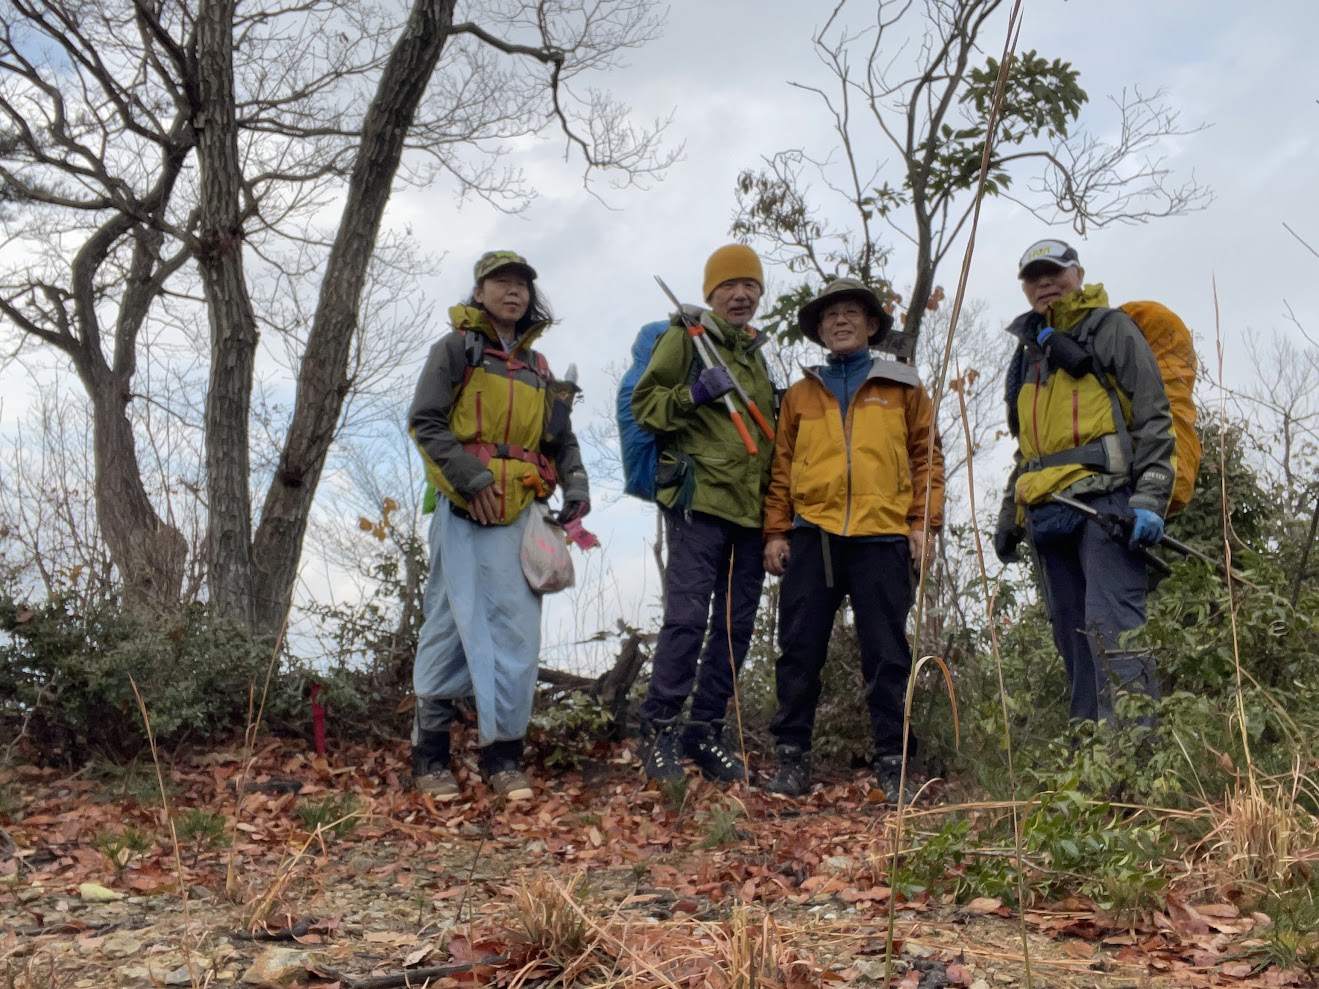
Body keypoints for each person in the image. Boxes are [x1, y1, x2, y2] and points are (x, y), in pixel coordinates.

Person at [408, 251, 590, 802]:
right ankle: (430, 758)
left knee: (516, 634)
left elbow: (560, 439)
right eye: (501, 283)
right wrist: (471, 479)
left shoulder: (539, 368)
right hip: (463, 508)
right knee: (448, 624)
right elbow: (425, 421)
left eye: (521, 285)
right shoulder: (454, 350)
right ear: (479, 291)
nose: (513, 292)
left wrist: (576, 487)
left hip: (520, 514)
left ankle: (503, 758)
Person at [761, 279, 944, 800]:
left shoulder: (903, 386)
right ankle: (791, 759)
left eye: (851, 313)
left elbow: (928, 459)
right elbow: (781, 467)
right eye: (830, 316)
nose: (840, 321)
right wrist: (776, 530)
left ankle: (893, 762)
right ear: (820, 330)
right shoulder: (800, 394)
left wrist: (922, 523)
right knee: (798, 650)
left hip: (883, 535)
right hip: (812, 535)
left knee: (887, 654)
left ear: (871, 325)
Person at [993, 238, 1174, 724]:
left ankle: (1133, 754)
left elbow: (1154, 415)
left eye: (1055, 272)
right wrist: (1010, 514)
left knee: (1113, 631)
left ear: (1078, 273)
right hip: (1047, 510)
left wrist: (1151, 496)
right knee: (1071, 639)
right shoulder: (1027, 355)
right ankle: (1087, 754)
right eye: (1034, 277)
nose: (1045, 283)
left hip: (1106, 503)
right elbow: (1028, 450)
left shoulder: (1110, 328)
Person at [631, 244, 778, 783]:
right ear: (710, 294)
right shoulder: (685, 338)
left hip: (750, 512)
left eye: (749, 286)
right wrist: (693, 394)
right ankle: (659, 730)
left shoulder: (755, 354)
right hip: (699, 502)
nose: (740, 295)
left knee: (736, 627)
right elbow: (646, 406)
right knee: (687, 619)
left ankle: (704, 730)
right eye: (728, 287)